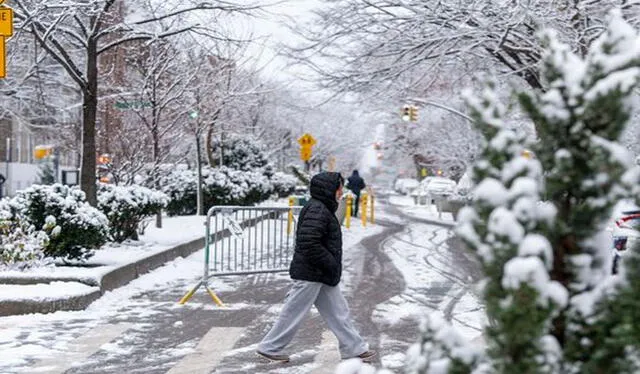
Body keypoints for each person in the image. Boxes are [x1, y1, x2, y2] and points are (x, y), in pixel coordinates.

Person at [257, 172, 376, 363]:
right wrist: (329, 262)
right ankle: (269, 347)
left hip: (320, 273)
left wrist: (328, 266)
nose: (341, 191)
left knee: (339, 312)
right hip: (311, 273)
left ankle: (354, 348)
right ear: (329, 189)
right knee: (294, 311)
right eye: (339, 187)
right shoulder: (318, 210)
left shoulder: (321, 208)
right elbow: (309, 242)